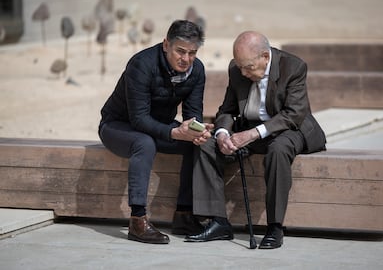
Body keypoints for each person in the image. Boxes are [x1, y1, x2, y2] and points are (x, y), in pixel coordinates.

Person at [185, 31, 326, 249]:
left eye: (248, 67)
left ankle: (275, 227)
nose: (243, 72)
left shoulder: (293, 67)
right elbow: (227, 110)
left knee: (278, 150)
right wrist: (222, 134)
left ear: (265, 57)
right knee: (206, 144)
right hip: (249, 129)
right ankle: (218, 221)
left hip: (289, 128)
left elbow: (294, 114)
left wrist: (252, 134)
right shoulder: (237, 69)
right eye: (239, 66)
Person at [98, 20, 213, 244]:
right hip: (118, 126)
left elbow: (192, 114)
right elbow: (139, 119)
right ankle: (138, 221)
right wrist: (174, 133)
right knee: (145, 143)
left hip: (157, 127)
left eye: (192, 53)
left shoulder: (196, 70)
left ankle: (184, 214)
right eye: (180, 51)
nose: (186, 59)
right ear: (165, 45)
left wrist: (196, 129)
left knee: (197, 142)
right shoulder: (141, 64)